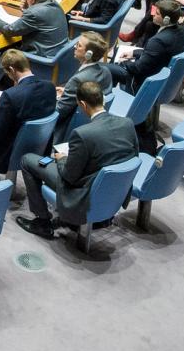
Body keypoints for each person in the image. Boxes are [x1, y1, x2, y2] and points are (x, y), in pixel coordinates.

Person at [16, 81, 137, 240]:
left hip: (83, 190)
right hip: (111, 187)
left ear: (83, 104)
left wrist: (62, 159)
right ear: (102, 99)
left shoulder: (82, 134)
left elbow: (69, 176)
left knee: (28, 160)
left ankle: (42, 222)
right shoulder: (127, 123)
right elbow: (132, 157)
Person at [0, 49, 56, 172]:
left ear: (12, 69)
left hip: (9, 154)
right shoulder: (50, 86)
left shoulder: (10, 96)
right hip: (41, 146)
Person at [106, 0, 184, 93]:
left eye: (157, 13)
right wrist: (133, 52)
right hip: (161, 73)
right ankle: (110, 91)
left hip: (143, 80)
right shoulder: (182, 31)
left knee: (105, 68)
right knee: (118, 50)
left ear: (166, 19)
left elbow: (138, 68)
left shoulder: (158, 40)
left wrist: (123, 63)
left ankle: (108, 93)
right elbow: (158, 53)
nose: (153, 14)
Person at [53, 34, 114, 144]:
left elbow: (59, 112)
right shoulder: (106, 72)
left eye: (79, 45)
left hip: (67, 129)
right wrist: (68, 92)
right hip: (94, 127)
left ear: (88, 54)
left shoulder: (78, 79)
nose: (74, 47)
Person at [0, 0, 69, 55]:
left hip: (42, 58)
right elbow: (39, 18)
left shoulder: (33, 14)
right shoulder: (54, 4)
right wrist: (27, 9)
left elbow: (10, 31)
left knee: (4, 54)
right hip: (60, 53)